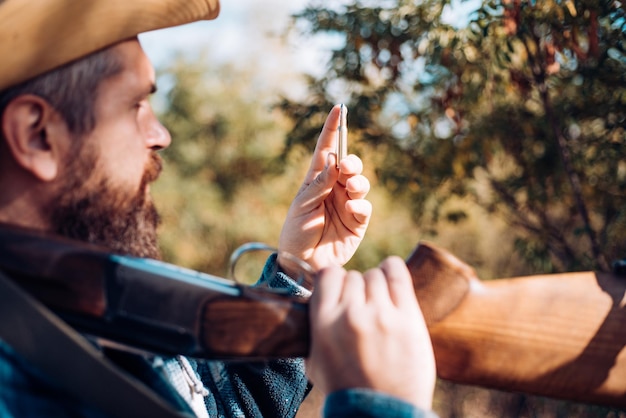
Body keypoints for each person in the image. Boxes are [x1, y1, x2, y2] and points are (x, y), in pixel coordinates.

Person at [0, 0, 437, 417]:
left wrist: (297, 271)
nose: (160, 133)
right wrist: (380, 407)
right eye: (135, 105)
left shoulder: (67, 295)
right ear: (38, 135)